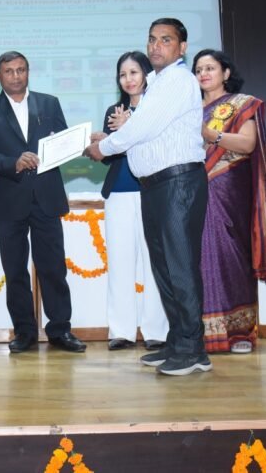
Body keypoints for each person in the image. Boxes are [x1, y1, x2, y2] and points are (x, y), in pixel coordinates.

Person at [85, 18, 210, 376]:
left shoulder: (178, 80)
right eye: (152, 39)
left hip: (178, 183)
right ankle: (178, 341)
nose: (156, 46)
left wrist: (103, 147)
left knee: (180, 266)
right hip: (155, 186)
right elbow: (144, 134)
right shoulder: (156, 84)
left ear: (182, 48)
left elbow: (141, 127)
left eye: (165, 40)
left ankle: (193, 350)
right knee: (164, 268)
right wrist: (109, 141)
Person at [0, 51, 85, 354]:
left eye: (21, 70)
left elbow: (64, 141)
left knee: (53, 268)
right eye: (9, 71)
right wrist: (14, 162)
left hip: (47, 197)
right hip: (9, 199)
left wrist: (73, 144)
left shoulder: (49, 103)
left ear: (28, 72)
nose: (16, 76)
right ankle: (24, 332)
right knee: (16, 271)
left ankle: (60, 330)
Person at [192, 49, 266, 354]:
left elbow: (247, 143)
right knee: (198, 258)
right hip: (193, 189)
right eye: (199, 70)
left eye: (210, 68)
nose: (204, 74)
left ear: (226, 73)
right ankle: (203, 333)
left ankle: (239, 332)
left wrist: (211, 135)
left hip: (229, 190)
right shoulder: (188, 109)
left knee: (231, 255)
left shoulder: (241, 105)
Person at [97, 51, 168, 351]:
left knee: (155, 263)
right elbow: (106, 156)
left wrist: (131, 126)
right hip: (118, 194)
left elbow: (161, 146)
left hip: (153, 191)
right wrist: (101, 141)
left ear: (147, 74)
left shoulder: (159, 107)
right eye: (123, 74)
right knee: (120, 263)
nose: (128, 79)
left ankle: (156, 332)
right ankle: (122, 331)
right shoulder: (114, 110)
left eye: (134, 73)